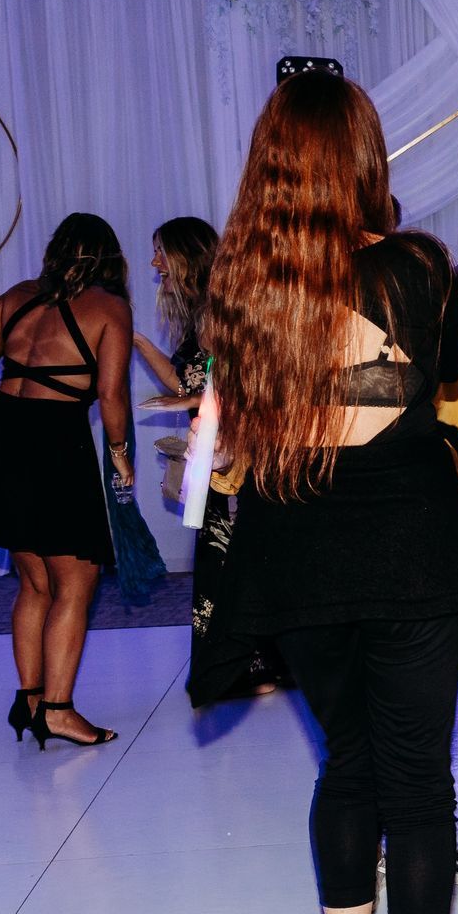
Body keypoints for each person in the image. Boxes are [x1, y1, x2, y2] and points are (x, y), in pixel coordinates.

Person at [194, 71, 458, 914]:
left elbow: (264, 426)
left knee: (349, 766)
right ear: (364, 158)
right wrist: (373, 362)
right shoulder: (414, 265)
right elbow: (441, 383)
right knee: (419, 781)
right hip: (410, 553)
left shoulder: (240, 287)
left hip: (298, 562)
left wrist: (316, 379)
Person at [0, 213, 134, 748]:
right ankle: (57, 710)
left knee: (34, 583)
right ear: (107, 258)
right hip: (55, 444)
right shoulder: (109, 308)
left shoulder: (14, 298)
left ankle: (29, 699)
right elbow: (112, 394)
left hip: (0, 438)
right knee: (76, 586)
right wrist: (120, 452)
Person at [131, 216, 283, 699]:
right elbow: (185, 385)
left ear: (184, 253)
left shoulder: (224, 303)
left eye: (160, 251)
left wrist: (193, 403)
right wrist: (137, 344)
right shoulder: (200, 308)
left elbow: (243, 379)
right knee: (228, 556)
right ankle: (252, 665)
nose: (154, 262)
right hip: (219, 444)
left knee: (236, 556)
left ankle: (251, 667)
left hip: (241, 448)